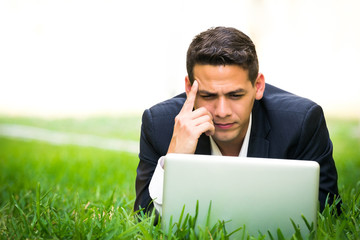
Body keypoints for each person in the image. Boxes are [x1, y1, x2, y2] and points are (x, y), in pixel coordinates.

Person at [134, 26, 340, 215]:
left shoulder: (301, 122)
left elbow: (329, 212)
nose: (222, 112)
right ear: (189, 88)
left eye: (235, 95)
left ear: (258, 86)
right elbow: (144, 219)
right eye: (208, 96)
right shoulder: (159, 124)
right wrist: (174, 161)